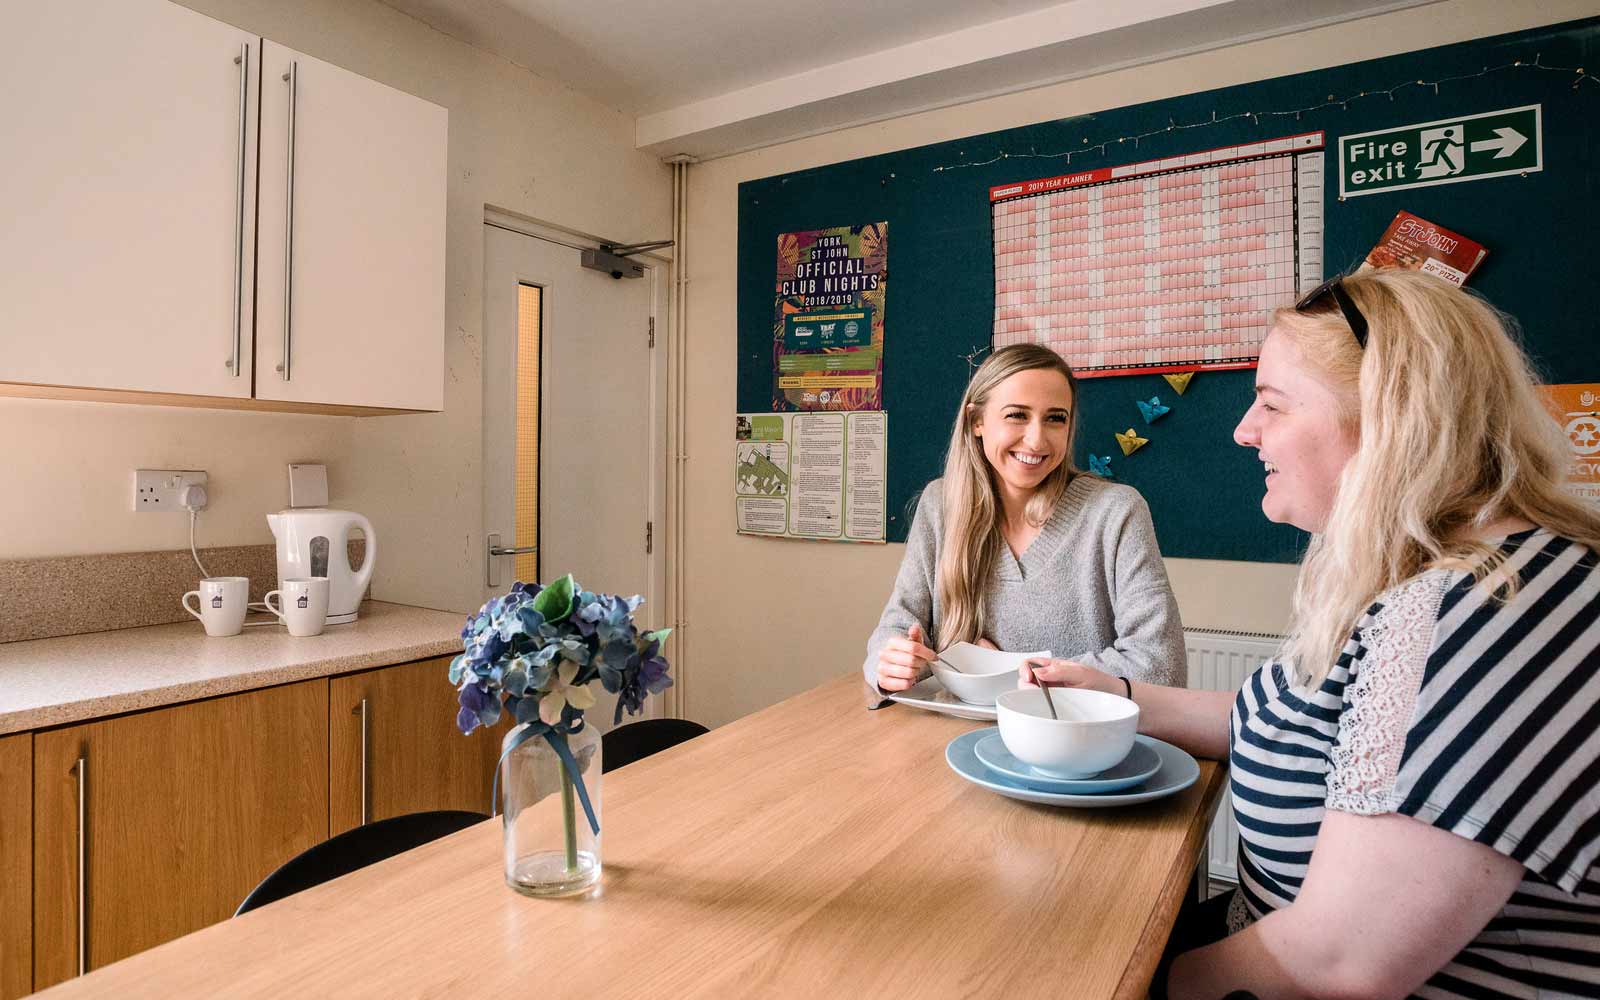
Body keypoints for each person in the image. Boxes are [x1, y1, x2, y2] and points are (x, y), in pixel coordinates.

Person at [1023, 269, 1600, 999]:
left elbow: (1334, 967)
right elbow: (1285, 721)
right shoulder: (1431, 579)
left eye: (1272, 403)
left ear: (1394, 418)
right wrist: (1113, 694)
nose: (1244, 430)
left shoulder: (1487, 613)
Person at [863, 343, 1185, 708]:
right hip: (952, 738)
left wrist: (1005, 671)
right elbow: (894, 630)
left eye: (1055, 418)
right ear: (976, 422)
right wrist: (891, 664)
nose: (1036, 439)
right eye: (1017, 415)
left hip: (1072, 746)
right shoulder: (940, 505)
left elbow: (1161, 667)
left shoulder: (1117, 511)